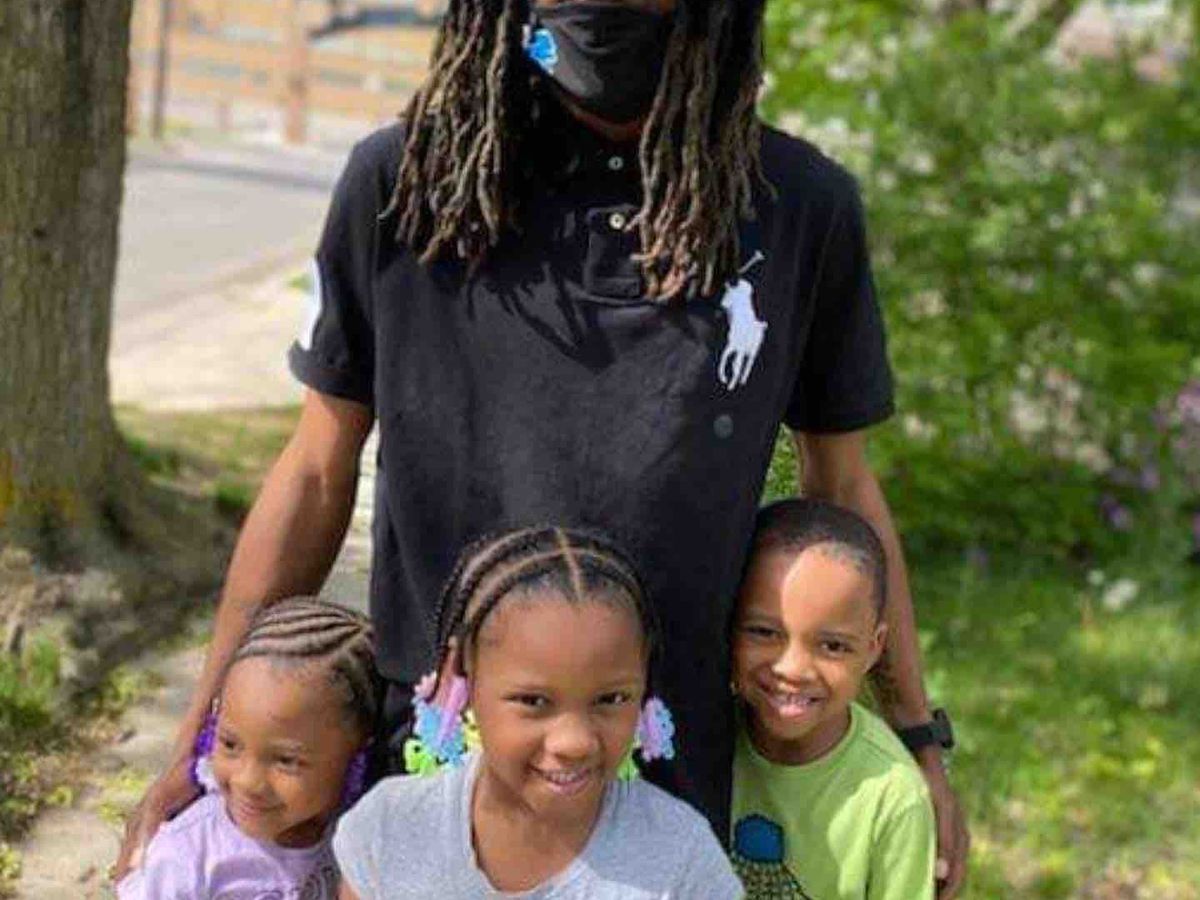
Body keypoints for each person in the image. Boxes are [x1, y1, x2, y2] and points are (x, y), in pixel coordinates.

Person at [116, 0, 967, 894]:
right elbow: (315, 472)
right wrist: (196, 742)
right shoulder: (402, 186)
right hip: (436, 762)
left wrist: (916, 738)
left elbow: (843, 494)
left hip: (660, 777)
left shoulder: (799, 210)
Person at [334, 526, 743, 898]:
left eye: (611, 699)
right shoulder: (388, 832)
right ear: (463, 676)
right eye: (533, 701)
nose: (575, 742)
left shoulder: (681, 859)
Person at [730, 498, 934, 899]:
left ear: (874, 648)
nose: (793, 669)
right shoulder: (697, 744)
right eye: (764, 632)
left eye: (833, 646)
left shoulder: (894, 797)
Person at [116, 598, 381, 899]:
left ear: (358, 750)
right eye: (230, 744)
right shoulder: (186, 856)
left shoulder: (359, 837)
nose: (248, 782)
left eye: (286, 760)